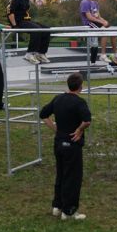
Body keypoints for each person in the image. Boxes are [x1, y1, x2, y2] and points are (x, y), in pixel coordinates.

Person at [40, 73, 91, 221]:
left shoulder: (58, 99)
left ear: (68, 85)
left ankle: (57, 206)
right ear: (80, 87)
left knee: (61, 174)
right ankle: (69, 211)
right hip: (72, 145)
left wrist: (55, 129)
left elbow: (43, 114)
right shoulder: (79, 102)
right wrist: (79, 130)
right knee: (73, 178)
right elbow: (87, 120)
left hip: (59, 144)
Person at [8, 0, 51, 65]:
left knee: (47, 29)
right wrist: (15, 26)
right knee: (37, 30)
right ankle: (29, 53)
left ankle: (41, 53)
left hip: (27, 21)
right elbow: (11, 13)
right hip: (20, 22)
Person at [79, 0, 117, 64]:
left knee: (112, 30)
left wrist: (104, 21)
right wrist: (102, 22)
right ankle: (103, 55)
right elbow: (89, 17)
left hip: (96, 22)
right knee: (104, 30)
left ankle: (116, 53)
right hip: (89, 23)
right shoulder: (85, 2)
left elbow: (99, 16)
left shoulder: (95, 3)